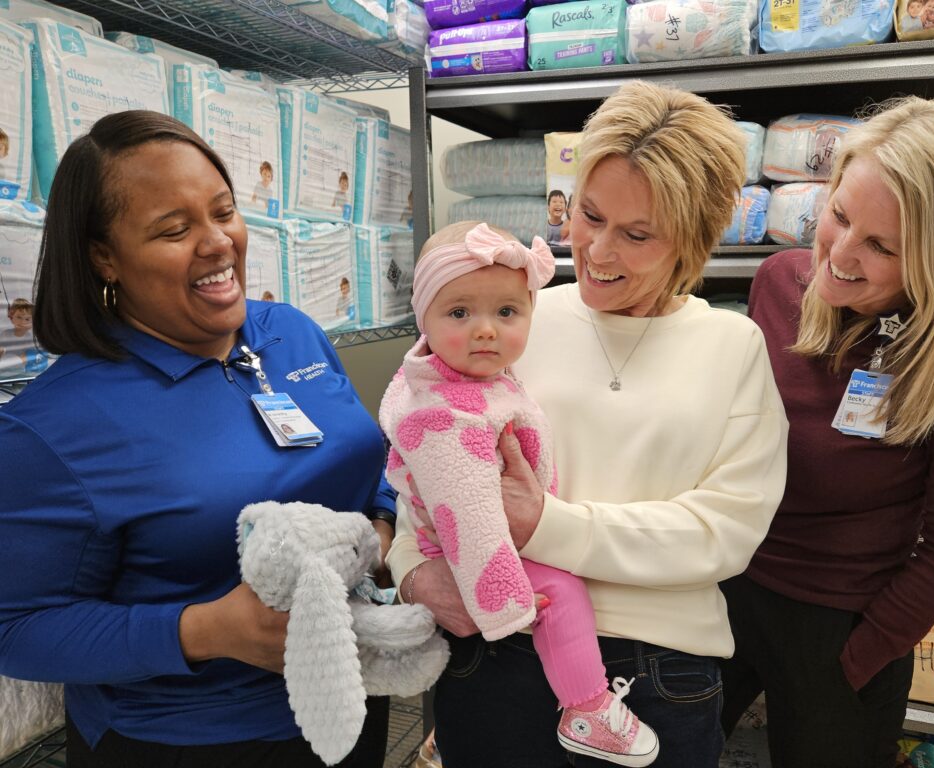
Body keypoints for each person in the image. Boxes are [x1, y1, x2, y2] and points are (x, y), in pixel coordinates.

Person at [387, 80, 789, 768]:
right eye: (589, 215)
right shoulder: (510, 318)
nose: (598, 251)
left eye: (637, 235)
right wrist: (410, 572)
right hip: (498, 650)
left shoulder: (733, 346)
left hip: (661, 673)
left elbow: (728, 531)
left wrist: (548, 525)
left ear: (691, 241)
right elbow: (427, 462)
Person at [0, 110, 398, 768]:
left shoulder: (289, 332)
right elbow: (16, 630)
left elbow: (361, 456)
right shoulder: (52, 428)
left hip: (352, 689)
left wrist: (378, 529)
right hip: (196, 740)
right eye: (174, 230)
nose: (218, 242)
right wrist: (205, 631)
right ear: (105, 257)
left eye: (224, 211)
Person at [718, 96, 934, 768]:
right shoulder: (777, 283)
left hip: (839, 628)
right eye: (839, 215)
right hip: (723, 592)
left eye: (881, 245)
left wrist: (856, 660)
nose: (841, 253)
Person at [379, 220, 660, 766]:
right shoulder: (442, 415)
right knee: (562, 595)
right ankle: (587, 707)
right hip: (476, 555)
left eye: (506, 313)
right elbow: (469, 516)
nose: (486, 330)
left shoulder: (469, 378)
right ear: (425, 320)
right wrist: (504, 606)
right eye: (459, 313)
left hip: (504, 536)